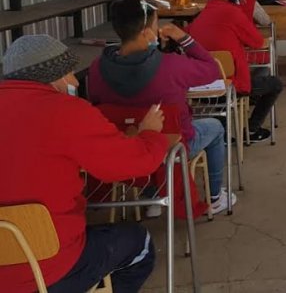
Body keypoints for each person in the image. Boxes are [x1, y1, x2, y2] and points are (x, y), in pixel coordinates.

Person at [0, 34, 169, 293]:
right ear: (52, 75)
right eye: (68, 73)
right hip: (50, 267)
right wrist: (150, 133)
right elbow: (133, 164)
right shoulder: (67, 111)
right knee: (140, 244)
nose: (72, 81)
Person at [87, 0, 236, 215]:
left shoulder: (97, 68)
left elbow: (99, 106)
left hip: (123, 146)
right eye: (156, 25)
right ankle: (215, 197)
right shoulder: (171, 65)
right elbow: (211, 69)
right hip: (172, 148)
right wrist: (184, 38)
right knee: (216, 126)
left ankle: (153, 195)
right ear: (147, 32)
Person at [189, 0, 282, 142]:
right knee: (274, 83)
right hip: (233, 86)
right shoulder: (232, 12)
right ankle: (252, 129)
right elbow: (257, 42)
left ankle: (222, 134)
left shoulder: (198, 18)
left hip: (201, 89)